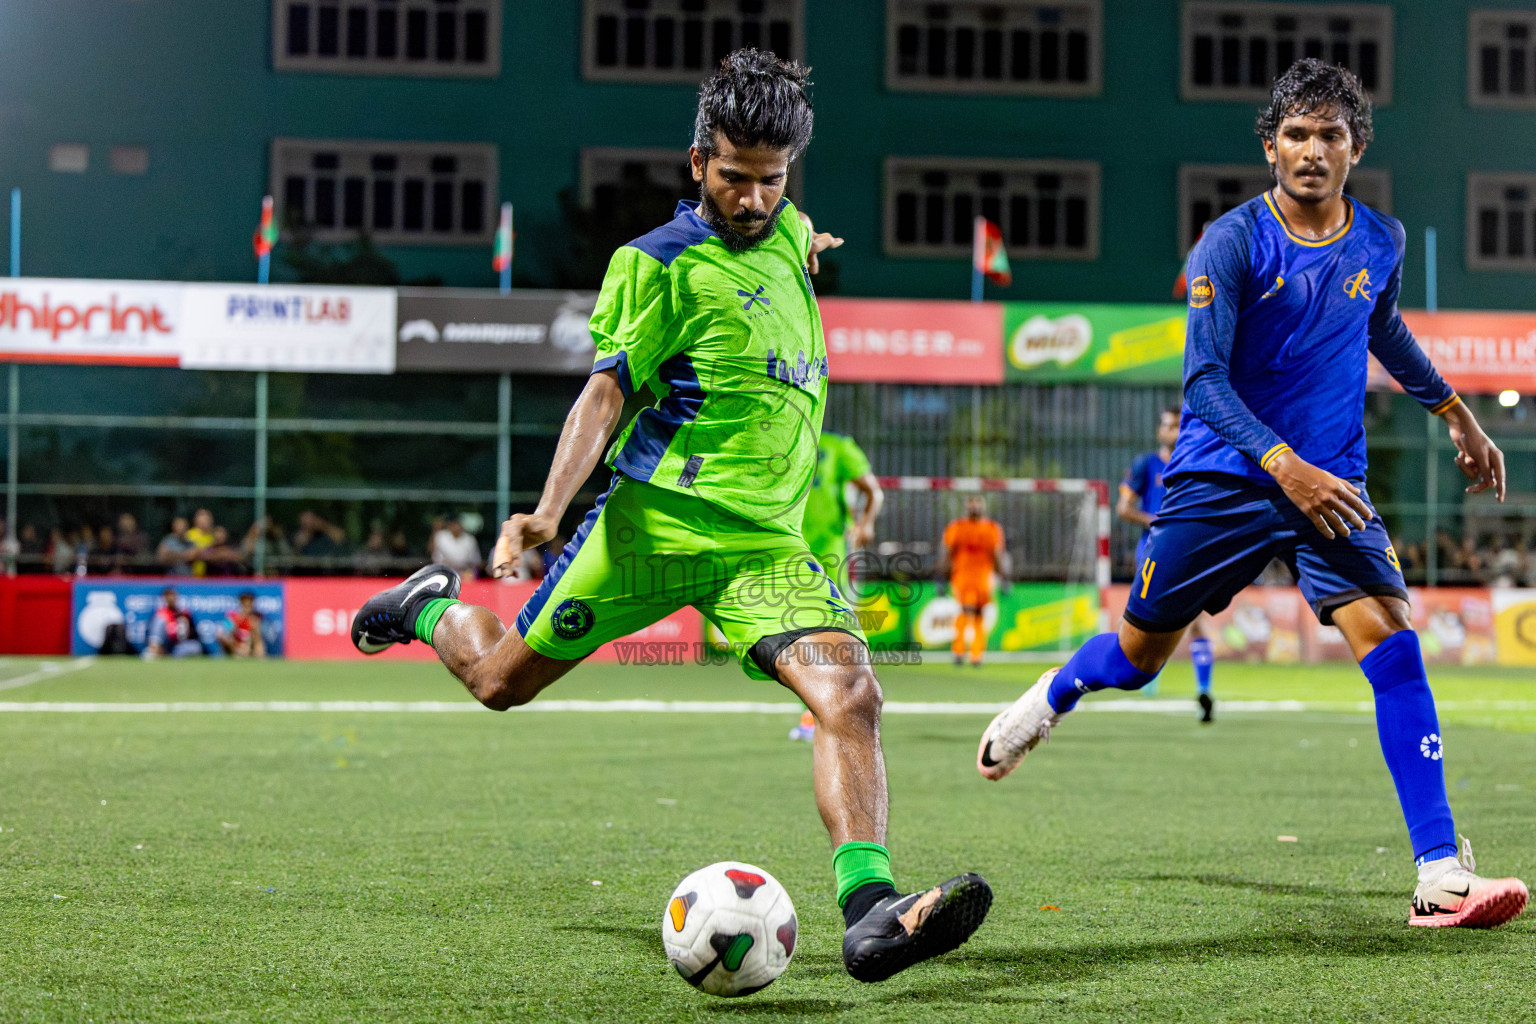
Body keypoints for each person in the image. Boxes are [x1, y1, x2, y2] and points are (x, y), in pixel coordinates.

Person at [349, 49, 990, 981]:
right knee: (498, 683)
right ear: (698, 164)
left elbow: (786, 242)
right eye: (734, 179)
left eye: (771, 183)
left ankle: (871, 909)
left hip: (765, 545)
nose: (752, 200)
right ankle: (425, 607)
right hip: (650, 530)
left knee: (852, 695)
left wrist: (802, 244)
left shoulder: (787, 227)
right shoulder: (654, 266)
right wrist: (546, 510)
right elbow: (604, 396)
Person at [977, 60, 1527, 929]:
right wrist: (1285, 465)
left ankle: (1437, 871)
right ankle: (1055, 694)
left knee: (1392, 639)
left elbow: (1382, 324)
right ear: (1270, 146)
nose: (1313, 150)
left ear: (1356, 149)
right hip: (1224, 478)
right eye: (1298, 134)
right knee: (1136, 658)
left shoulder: (1382, 239)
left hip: (1331, 483)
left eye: (1332, 135)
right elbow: (1202, 382)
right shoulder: (1229, 243)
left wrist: (1455, 410)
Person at [1119, 406, 1217, 719]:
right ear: (1160, 431)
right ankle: (1148, 683)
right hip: (1151, 550)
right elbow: (1123, 508)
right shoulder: (1145, 465)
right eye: (1166, 425)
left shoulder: (1197, 462)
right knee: (1148, 620)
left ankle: (1204, 690)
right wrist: (1156, 521)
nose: (1171, 431)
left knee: (1194, 619)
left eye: (1176, 425)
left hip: (1190, 551)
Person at [790, 430, 883, 741]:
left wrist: (866, 524)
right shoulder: (784, 436)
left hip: (830, 553)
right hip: (789, 548)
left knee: (836, 635)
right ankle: (818, 714)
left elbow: (874, 491)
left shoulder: (838, 446)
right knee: (798, 638)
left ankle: (842, 711)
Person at [939, 496, 1008, 667]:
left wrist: (1003, 576)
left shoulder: (991, 528)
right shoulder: (958, 527)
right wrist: (942, 575)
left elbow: (997, 555)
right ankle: (963, 651)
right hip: (964, 577)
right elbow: (948, 553)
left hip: (981, 578)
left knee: (976, 614)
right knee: (966, 612)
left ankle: (971, 653)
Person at [145, 587, 204, 658]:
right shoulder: (161, 613)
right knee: (160, 619)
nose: (171, 598)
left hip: (180, 646)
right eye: (168, 596)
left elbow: (194, 634)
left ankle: (165, 655)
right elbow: (153, 633)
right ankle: (155, 650)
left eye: (173, 596)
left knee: (195, 647)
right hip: (165, 644)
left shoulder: (183, 613)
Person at [217, 591, 266, 658]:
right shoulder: (232, 615)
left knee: (255, 637)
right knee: (220, 635)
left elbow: (258, 636)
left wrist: (253, 624)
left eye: (249, 605)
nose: (247, 607)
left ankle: (259, 657)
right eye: (245, 605)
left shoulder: (257, 617)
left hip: (249, 644)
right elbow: (226, 630)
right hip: (235, 642)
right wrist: (237, 622)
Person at [186, 508, 217, 576]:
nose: (205, 522)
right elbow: (188, 554)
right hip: (190, 575)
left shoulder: (214, 536)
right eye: (202, 519)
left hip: (210, 575)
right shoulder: (189, 535)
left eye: (207, 519)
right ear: (196, 521)